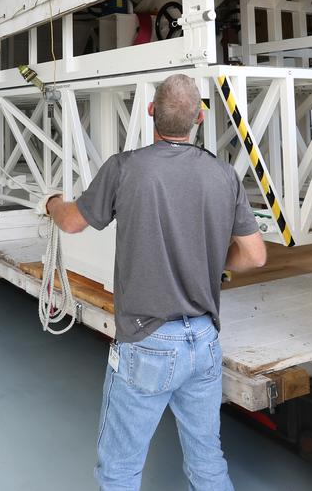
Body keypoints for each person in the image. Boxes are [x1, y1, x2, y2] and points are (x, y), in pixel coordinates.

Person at [43, 74, 266, 490]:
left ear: (151, 112)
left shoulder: (125, 168)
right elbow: (255, 255)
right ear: (199, 118)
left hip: (147, 341)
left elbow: (72, 223)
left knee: (120, 470)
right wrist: (213, 261)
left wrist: (52, 204)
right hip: (205, 340)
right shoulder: (223, 175)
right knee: (207, 463)